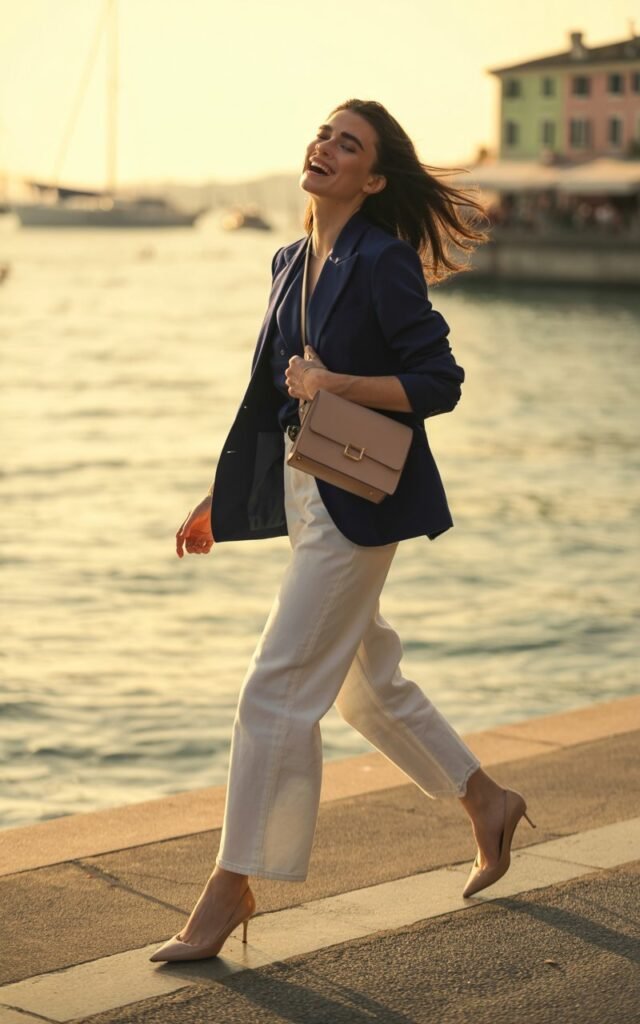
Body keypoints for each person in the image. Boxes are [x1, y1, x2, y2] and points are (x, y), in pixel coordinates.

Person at [150, 99, 535, 964]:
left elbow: (439, 380)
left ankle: (233, 884)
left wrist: (338, 385)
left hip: (358, 500)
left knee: (274, 687)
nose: (325, 146)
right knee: (365, 685)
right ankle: (487, 802)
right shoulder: (290, 260)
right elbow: (268, 395)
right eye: (324, 133)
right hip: (304, 491)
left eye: (348, 143)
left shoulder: (383, 260)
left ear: (374, 178)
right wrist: (220, 497)